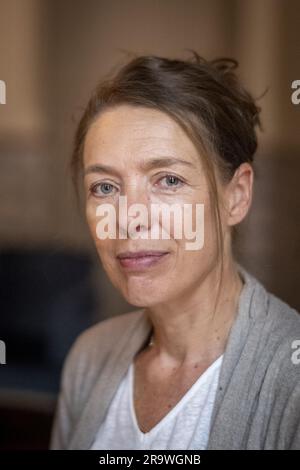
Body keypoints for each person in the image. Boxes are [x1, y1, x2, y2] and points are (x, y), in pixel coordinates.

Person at [50, 52, 300, 450]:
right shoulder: (89, 357)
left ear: (236, 196)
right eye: (105, 188)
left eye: (168, 180)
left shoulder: (291, 378)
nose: (129, 219)